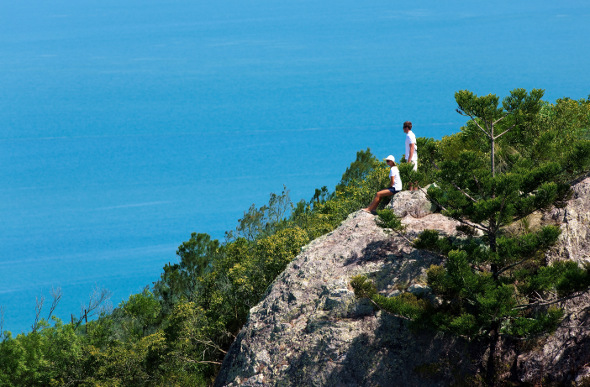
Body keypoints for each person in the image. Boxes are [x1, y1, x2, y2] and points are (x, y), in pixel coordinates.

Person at [403, 121, 418, 190]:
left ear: (406, 128)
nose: (403, 129)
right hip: (412, 158)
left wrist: (409, 159)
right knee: (411, 175)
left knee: (412, 176)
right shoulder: (410, 135)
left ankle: (413, 190)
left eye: (403, 127)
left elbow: (412, 147)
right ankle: (412, 190)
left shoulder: (410, 135)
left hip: (412, 158)